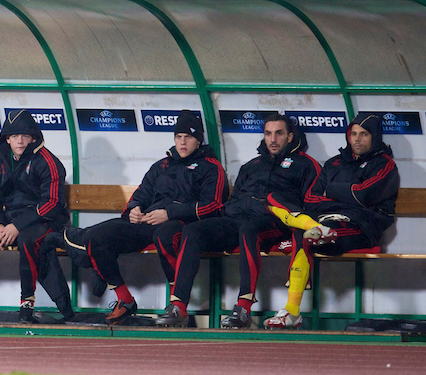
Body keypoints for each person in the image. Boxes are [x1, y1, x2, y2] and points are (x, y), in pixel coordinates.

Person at [154, 112, 322, 328]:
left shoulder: (307, 165)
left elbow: (310, 205)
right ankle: (179, 306)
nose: (272, 139)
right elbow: (234, 199)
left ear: (290, 137)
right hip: (237, 218)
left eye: (279, 134)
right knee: (193, 231)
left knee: (248, 230)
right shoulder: (251, 165)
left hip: (273, 222)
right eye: (268, 133)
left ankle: (243, 307)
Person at [62, 110, 228, 325]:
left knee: (165, 235)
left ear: (199, 140)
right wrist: (134, 209)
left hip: (183, 224)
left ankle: (176, 306)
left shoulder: (211, 167)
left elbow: (212, 206)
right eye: (178, 137)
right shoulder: (161, 165)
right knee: (96, 236)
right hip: (148, 222)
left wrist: (169, 213)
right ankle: (125, 300)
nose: (183, 142)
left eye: (189, 137)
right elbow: (140, 194)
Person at [263, 112, 399, 329]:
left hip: (361, 226)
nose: (357, 139)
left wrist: (333, 192)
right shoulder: (334, 163)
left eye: (364, 134)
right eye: (353, 133)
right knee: (285, 213)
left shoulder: (384, 165)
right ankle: (291, 311)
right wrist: (344, 197)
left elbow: (365, 196)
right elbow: (311, 199)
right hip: (326, 221)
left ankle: (292, 311)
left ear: (375, 137)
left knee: (303, 237)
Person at [0, 109, 73, 324]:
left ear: (34, 138)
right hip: (10, 221)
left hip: (45, 221)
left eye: (25, 136)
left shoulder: (48, 162)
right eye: (14, 136)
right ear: (6, 139)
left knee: (28, 241)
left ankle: (26, 304)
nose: (20, 141)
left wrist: (16, 226)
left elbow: (53, 204)